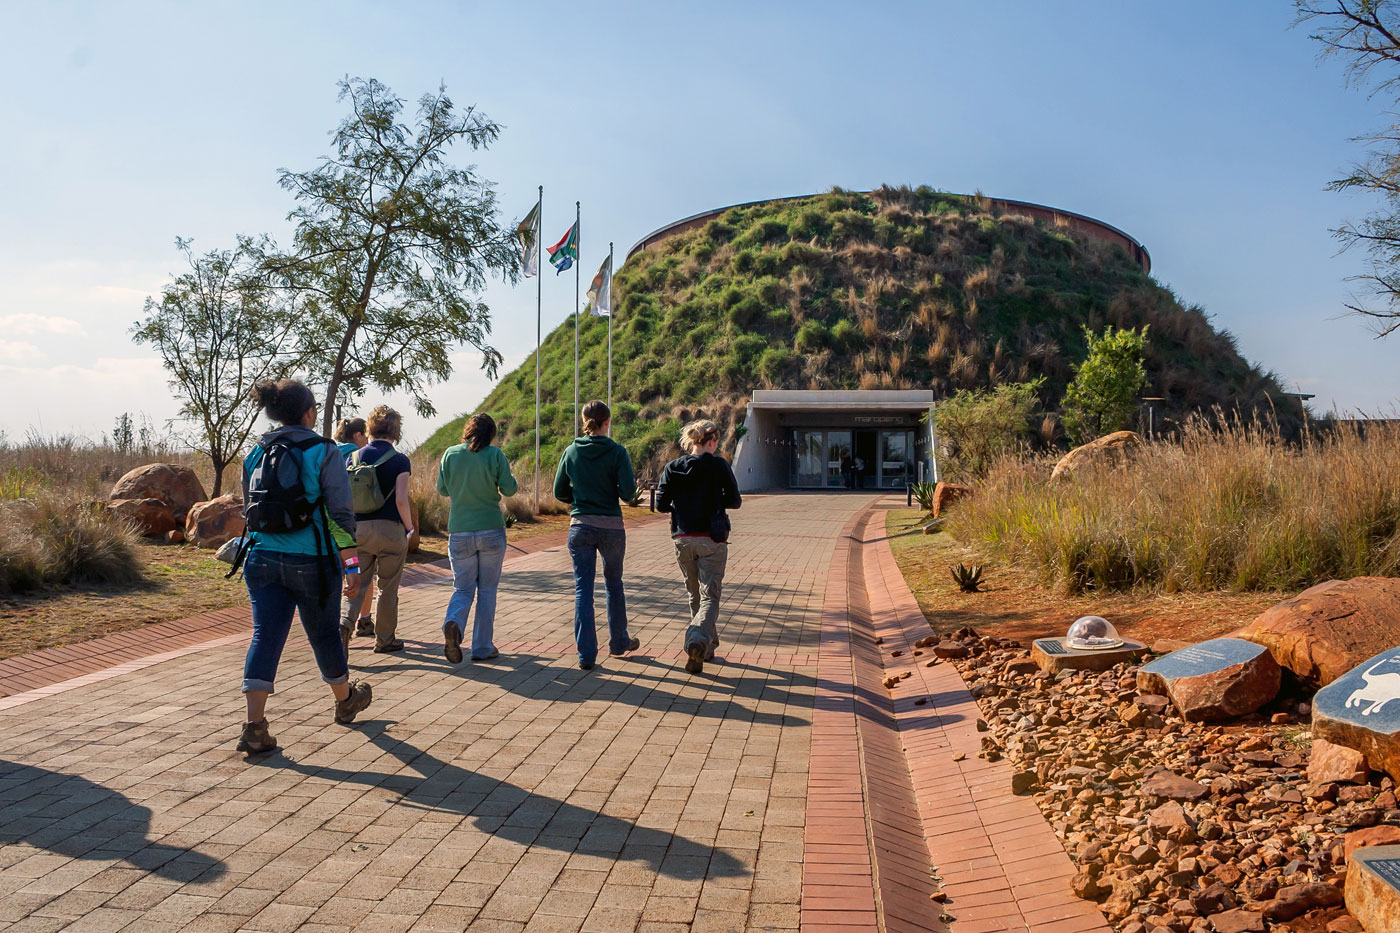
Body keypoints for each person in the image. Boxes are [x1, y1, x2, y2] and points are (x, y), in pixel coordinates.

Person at [236, 379, 372, 754]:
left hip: (261, 558)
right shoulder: (324, 450)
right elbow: (340, 513)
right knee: (324, 635)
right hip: (311, 560)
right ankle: (346, 700)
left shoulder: (256, 451)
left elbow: (249, 509)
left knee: (265, 636)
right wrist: (352, 565)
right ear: (309, 412)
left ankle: (254, 727)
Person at [553, 400, 640, 670]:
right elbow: (627, 493)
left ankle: (586, 655)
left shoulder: (571, 450)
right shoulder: (617, 452)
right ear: (607, 421)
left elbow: (559, 491)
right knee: (614, 584)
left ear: (584, 420)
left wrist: (578, 498)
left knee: (583, 589)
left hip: (580, 525)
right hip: (612, 527)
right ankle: (618, 642)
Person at [655, 419, 742, 674]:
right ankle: (696, 639)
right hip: (712, 539)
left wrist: (681, 505)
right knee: (710, 596)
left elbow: (661, 505)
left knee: (695, 595)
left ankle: (707, 647)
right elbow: (735, 501)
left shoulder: (673, 467)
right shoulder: (719, 466)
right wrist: (717, 499)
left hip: (682, 538)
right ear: (712, 441)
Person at [437, 413, 518, 663]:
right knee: (487, 589)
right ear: (491, 433)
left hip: (459, 531)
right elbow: (510, 489)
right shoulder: (495, 455)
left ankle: (454, 623)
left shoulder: (450, 454)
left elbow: (442, 489)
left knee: (463, 587)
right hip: (491, 529)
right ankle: (482, 647)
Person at [341, 405, 413, 653]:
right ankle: (384, 640)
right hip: (391, 531)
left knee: (356, 583)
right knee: (387, 587)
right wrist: (410, 527)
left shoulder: (351, 458)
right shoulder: (400, 460)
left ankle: (345, 624)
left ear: (370, 429)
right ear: (396, 430)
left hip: (357, 532)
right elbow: (401, 500)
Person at [333, 417, 376, 631]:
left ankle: (333, 621)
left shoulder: (328, 450)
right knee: (362, 572)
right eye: (366, 437)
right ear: (358, 435)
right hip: (352, 525)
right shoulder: (354, 454)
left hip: (328, 526)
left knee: (335, 576)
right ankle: (364, 620)